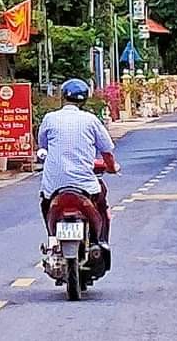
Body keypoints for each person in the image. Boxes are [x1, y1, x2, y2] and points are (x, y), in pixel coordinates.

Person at [37, 78, 119, 244]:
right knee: (101, 203)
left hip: (53, 186)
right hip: (85, 186)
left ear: (62, 97)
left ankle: (52, 240)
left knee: (45, 204)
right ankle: (101, 241)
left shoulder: (49, 119)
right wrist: (111, 167)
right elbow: (107, 152)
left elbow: (43, 145)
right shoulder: (91, 120)